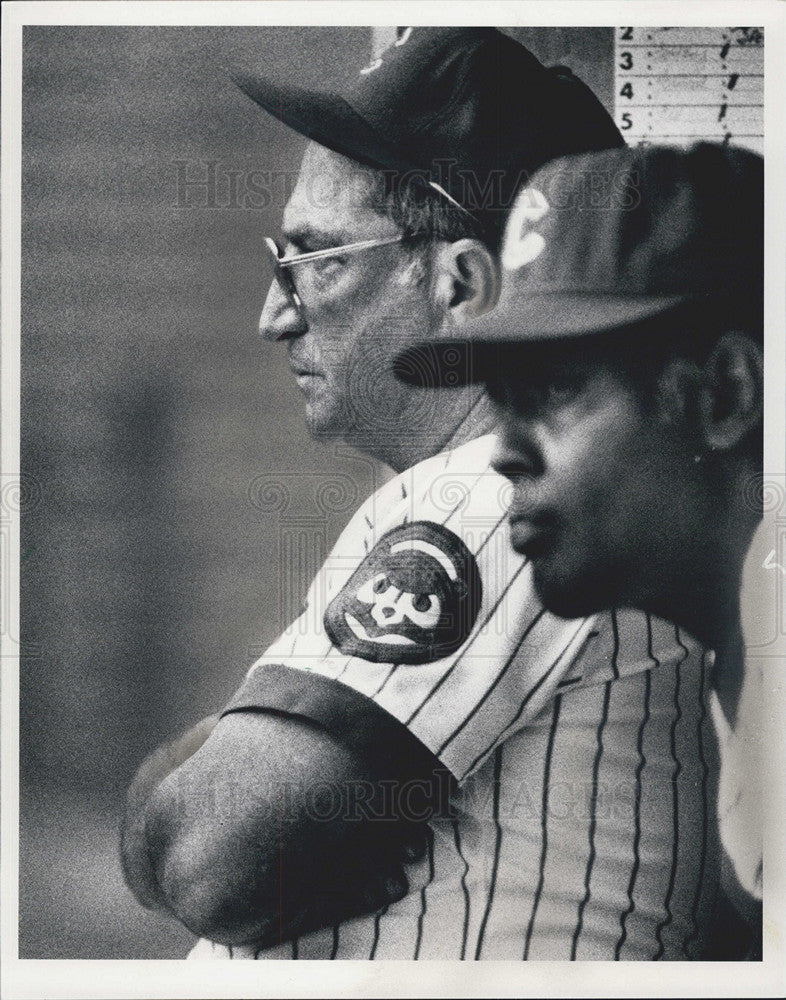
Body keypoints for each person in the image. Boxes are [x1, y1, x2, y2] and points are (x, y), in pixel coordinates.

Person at [122, 28, 720, 960]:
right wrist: (184, 792)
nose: (273, 314)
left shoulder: (493, 497)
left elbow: (206, 857)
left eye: (313, 259)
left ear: (461, 284)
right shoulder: (522, 493)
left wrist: (168, 797)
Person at [395, 141, 764, 955]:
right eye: (502, 399)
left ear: (728, 395)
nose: (503, 450)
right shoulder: (743, 647)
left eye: (558, 389)